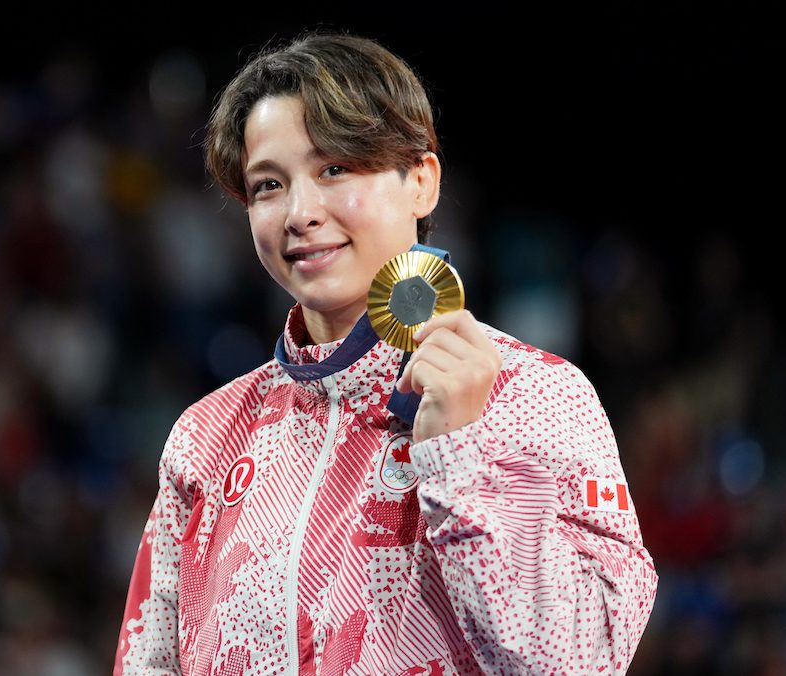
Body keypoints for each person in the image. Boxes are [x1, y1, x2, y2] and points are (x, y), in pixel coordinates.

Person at [114, 30, 658, 675]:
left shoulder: (536, 393)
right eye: (267, 185)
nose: (299, 212)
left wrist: (459, 455)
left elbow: (581, 661)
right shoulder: (205, 438)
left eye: (334, 169)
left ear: (421, 182)